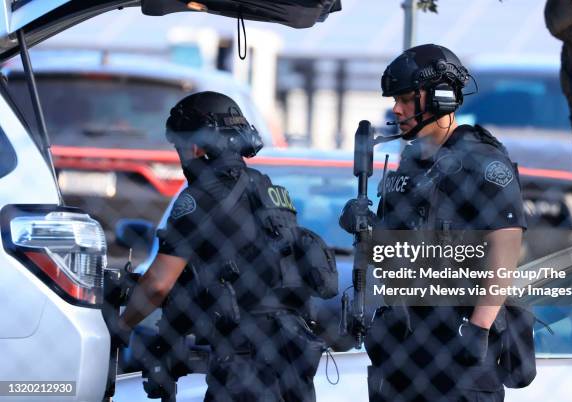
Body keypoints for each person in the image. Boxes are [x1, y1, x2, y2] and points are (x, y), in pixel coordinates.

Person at [114, 91, 335, 401]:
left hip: (245, 358)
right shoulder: (268, 189)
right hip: (294, 351)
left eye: (181, 146)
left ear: (196, 145)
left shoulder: (199, 197)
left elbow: (158, 284)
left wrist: (120, 326)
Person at [340, 44, 527, 401]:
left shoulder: (481, 161)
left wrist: (479, 327)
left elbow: (505, 247)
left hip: (458, 347)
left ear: (441, 97)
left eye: (408, 98)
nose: (397, 109)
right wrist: (368, 230)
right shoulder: (410, 163)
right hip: (404, 345)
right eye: (397, 99)